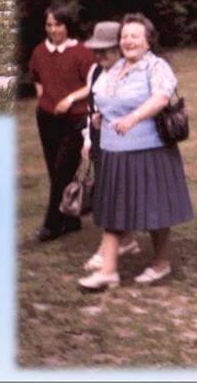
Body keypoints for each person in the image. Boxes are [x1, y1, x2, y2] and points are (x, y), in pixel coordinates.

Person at [78, 14, 194, 291]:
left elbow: (161, 98)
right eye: (124, 36)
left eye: (135, 36)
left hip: (148, 149)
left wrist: (133, 118)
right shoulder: (113, 69)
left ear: (148, 40)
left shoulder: (156, 67)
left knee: (155, 210)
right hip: (114, 151)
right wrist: (99, 118)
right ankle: (108, 272)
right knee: (113, 210)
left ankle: (161, 263)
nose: (128, 41)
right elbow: (104, 99)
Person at [61, 21, 142, 272]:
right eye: (97, 50)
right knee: (110, 192)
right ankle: (126, 240)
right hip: (100, 142)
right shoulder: (95, 71)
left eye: (105, 50)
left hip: (126, 143)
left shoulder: (131, 72)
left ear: (118, 48)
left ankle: (104, 252)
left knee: (115, 196)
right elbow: (92, 108)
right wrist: (87, 138)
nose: (99, 55)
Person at [29, 6, 96, 243]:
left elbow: (92, 85)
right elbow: (36, 78)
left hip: (75, 119)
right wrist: (43, 100)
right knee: (54, 171)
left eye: (58, 24)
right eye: (49, 25)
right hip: (47, 119)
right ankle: (71, 219)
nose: (53, 29)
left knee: (61, 172)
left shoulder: (82, 53)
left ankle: (52, 224)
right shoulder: (39, 51)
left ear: (67, 26)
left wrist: (69, 99)